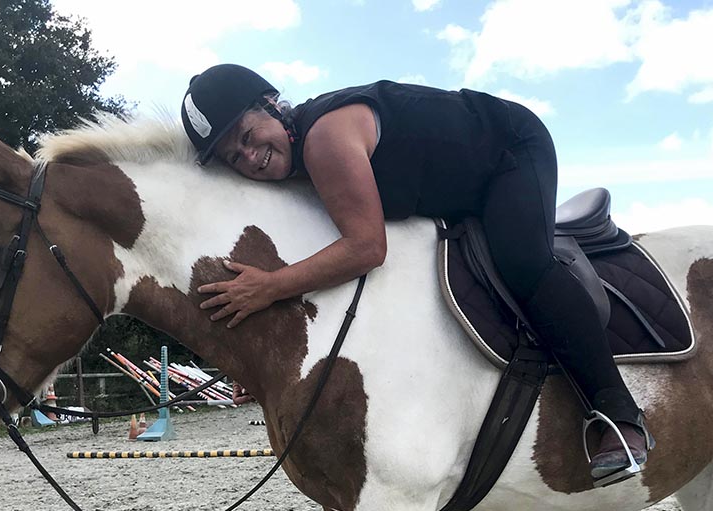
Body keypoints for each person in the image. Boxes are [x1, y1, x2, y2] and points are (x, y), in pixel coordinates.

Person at [183, 64, 652, 483]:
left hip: (509, 149)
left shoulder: (326, 139)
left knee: (522, 262)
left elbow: (367, 247)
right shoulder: (296, 169)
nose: (250, 158)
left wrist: (268, 288)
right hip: (451, 188)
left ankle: (616, 413)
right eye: (234, 158)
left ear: (270, 106)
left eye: (246, 137)